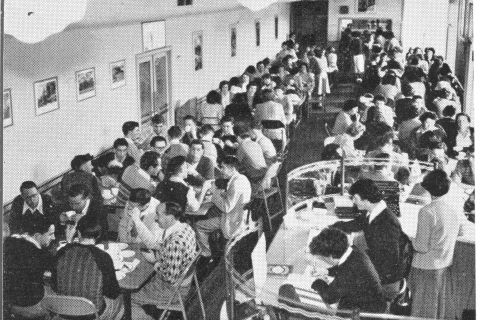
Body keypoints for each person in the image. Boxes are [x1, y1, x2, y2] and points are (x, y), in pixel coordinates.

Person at [331, 179, 405, 300]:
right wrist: (332, 227)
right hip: (378, 269)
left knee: (341, 292)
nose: (353, 202)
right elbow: (357, 223)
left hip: (386, 282)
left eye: (355, 198)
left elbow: (389, 261)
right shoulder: (372, 212)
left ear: (366, 199)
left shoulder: (387, 223)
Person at [410, 170, 467, 318]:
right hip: (444, 266)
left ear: (428, 188)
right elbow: (460, 232)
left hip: (425, 268)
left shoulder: (427, 211)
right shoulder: (453, 209)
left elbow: (421, 247)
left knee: (422, 312)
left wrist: (409, 240)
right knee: (437, 311)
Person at [130, 202, 197, 320]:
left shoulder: (175, 243)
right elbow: (171, 253)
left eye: (158, 214)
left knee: (128, 297)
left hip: (173, 291)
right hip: (183, 282)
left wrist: (155, 262)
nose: (155, 218)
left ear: (170, 218)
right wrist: (157, 257)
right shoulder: (186, 227)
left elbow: (169, 277)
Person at [53, 216, 124, 320]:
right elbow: (112, 293)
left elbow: (54, 286)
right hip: (91, 315)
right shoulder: (103, 257)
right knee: (122, 300)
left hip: (64, 311)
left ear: (79, 233)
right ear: (98, 236)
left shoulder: (62, 252)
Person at [309, 228, 387, 313]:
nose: (322, 260)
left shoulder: (348, 272)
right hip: (374, 301)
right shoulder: (355, 251)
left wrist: (318, 282)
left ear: (332, 256)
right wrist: (327, 271)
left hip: (366, 313)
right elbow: (344, 264)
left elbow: (329, 297)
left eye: (322, 258)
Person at [195, 156, 251, 259]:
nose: (221, 171)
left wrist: (214, 193)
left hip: (232, 221)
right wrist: (223, 194)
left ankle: (206, 254)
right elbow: (233, 198)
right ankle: (215, 244)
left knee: (198, 225)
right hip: (239, 215)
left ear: (233, 169)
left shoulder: (236, 183)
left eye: (223, 168)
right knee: (210, 213)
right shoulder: (241, 178)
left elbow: (226, 208)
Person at [4, 215, 55, 319]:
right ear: (37, 236)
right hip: (31, 306)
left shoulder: (9, 241)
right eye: (50, 234)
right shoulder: (39, 255)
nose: (53, 238)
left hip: (7, 303)